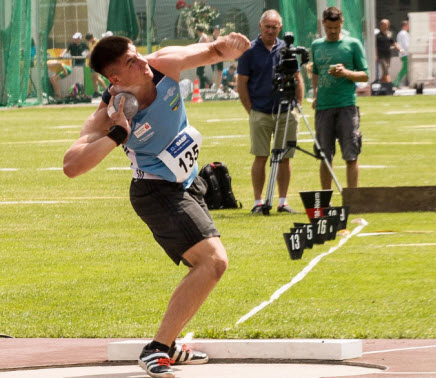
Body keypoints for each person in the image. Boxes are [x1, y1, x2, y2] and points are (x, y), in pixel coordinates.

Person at [62, 32, 249, 378]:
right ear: (115, 79)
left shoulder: (163, 65)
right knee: (213, 262)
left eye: (137, 54)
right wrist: (117, 134)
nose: (142, 62)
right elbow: (71, 165)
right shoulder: (112, 109)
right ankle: (158, 349)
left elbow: (210, 51)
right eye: (131, 62)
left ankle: (169, 345)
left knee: (209, 264)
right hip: (155, 192)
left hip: (189, 183)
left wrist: (231, 45)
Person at [237, 9, 303, 214]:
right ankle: (258, 201)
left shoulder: (287, 49)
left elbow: (297, 79)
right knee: (261, 156)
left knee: (285, 157)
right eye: (267, 27)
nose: (271, 31)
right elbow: (241, 83)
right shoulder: (249, 50)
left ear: (280, 28)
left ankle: (282, 201)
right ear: (260, 26)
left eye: (275, 27)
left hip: (286, 111)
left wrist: (298, 106)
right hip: (261, 111)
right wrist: (251, 110)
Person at [311, 7, 368, 190]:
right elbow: (315, 73)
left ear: (341, 23)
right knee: (324, 158)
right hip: (323, 108)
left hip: (346, 106)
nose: (333, 31)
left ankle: (352, 200)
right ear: (323, 24)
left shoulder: (353, 45)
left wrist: (346, 73)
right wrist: (315, 94)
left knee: (351, 155)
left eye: (336, 27)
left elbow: (365, 75)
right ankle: (326, 204)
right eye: (329, 28)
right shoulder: (316, 46)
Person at [376, 19, 402, 83]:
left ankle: (381, 82)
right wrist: (375, 55)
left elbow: (393, 43)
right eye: (385, 25)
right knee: (385, 70)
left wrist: (399, 49)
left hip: (388, 55)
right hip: (381, 55)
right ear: (381, 25)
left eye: (388, 25)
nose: (387, 26)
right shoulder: (377, 36)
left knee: (386, 69)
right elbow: (375, 46)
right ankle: (389, 84)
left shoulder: (389, 34)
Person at [85, 33, 106, 97]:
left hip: (97, 62)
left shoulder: (97, 42)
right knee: (93, 77)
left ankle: (106, 90)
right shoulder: (91, 43)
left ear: (91, 38)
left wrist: (88, 55)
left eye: (89, 40)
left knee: (97, 77)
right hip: (92, 62)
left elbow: (92, 51)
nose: (89, 41)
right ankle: (96, 91)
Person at [393, 20, 409, 88]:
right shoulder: (404, 33)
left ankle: (405, 82)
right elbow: (406, 44)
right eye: (408, 26)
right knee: (405, 69)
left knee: (406, 69)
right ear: (405, 26)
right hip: (405, 53)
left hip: (402, 54)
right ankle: (396, 82)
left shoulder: (400, 33)